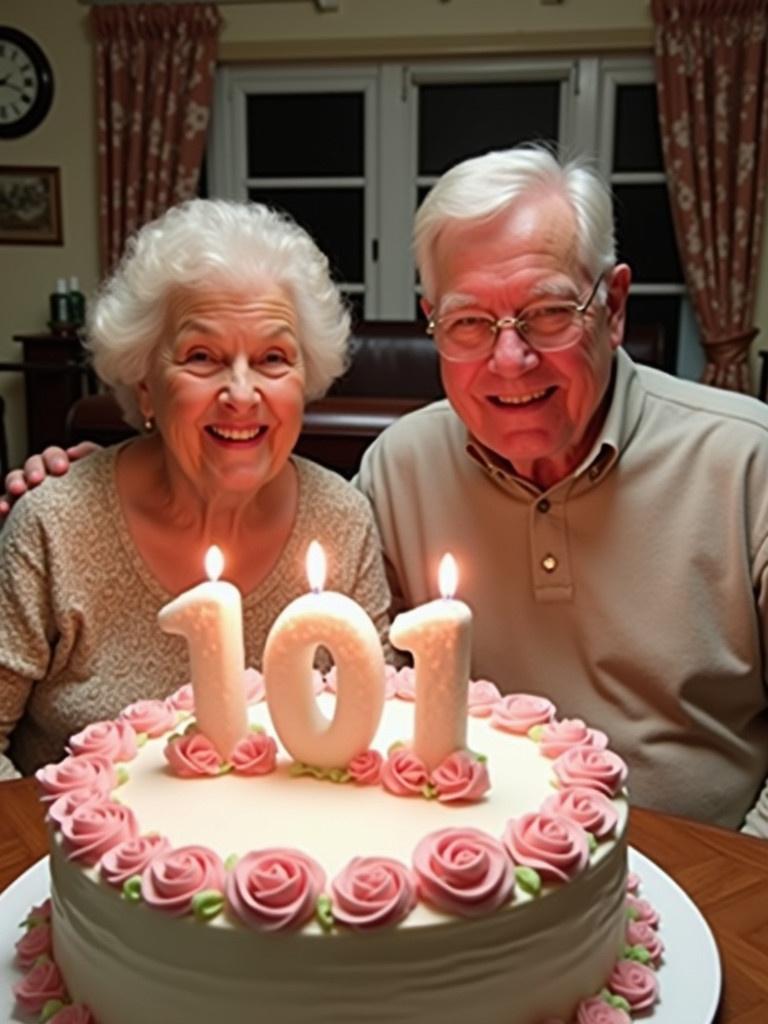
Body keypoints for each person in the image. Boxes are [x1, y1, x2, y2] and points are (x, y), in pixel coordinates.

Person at [5, 147, 768, 841]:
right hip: (109, 892)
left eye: (548, 313)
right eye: (469, 321)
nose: (510, 359)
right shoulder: (400, 469)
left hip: (706, 867)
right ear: (144, 376)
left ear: (615, 306)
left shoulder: (749, 465)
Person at [0, 198, 390, 779]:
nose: (240, 392)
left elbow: (377, 727)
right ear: (146, 384)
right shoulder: (54, 524)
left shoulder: (341, 518)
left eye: (273, 358)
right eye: (202, 356)